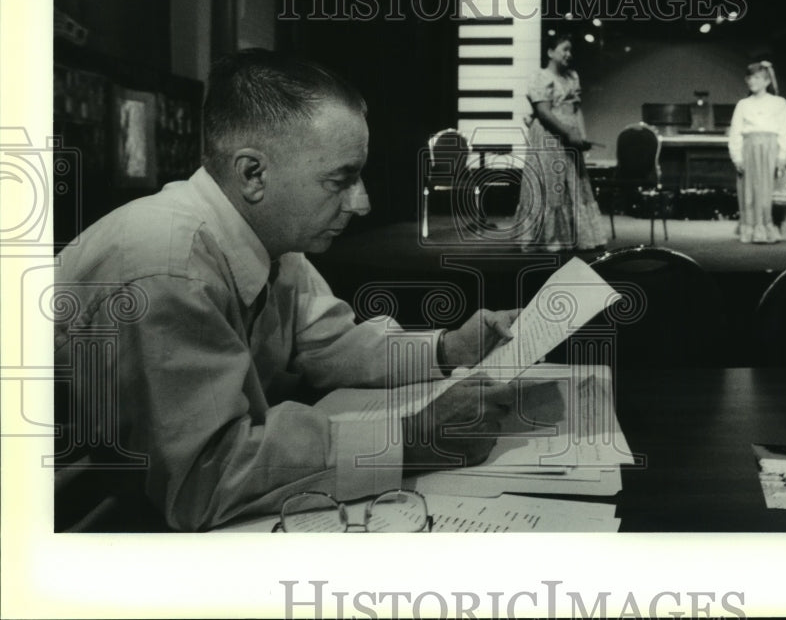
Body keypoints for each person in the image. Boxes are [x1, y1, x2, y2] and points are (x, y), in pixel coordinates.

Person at [53, 50, 518, 531]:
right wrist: (414, 437)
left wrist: (449, 347)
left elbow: (334, 346)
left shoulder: (269, 242)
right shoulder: (164, 266)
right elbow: (203, 479)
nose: (362, 202)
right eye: (341, 179)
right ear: (253, 174)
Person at [513, 33, 607, 251]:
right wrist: (568, 133)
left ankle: (573, 236)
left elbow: (576, 109)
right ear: (550, 52)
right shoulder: (540, 77)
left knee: (571, 183)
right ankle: (548, 239)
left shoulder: (572, 77)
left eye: (570, 50)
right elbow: (544, 113)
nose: (569, 54)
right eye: (564, 49)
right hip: (548, 136)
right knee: (549, 184)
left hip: (569, 138)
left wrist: (581, 136)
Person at [727, 60, 786, 244]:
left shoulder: (779, 103)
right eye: (749, 77)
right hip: (749, 151)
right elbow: (735, 132)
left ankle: (770, 227)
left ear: (766, 81)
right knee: (750, 191)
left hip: (771, 151)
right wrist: (737, 157)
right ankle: (751, 228)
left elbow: (785, 130)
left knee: (768, 191)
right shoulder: (743, 104)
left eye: (756, 77)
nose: (751, 81)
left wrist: (782, 155)